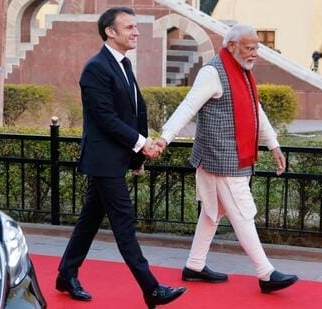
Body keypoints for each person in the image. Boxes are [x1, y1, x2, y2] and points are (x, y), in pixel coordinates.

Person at [152, 24, 298, 293]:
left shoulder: (241, 71)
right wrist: (165, 137)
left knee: (212, 212)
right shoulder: (212, 72)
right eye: (250, 48)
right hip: (221, 159)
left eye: (257, 48)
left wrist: (273, 144)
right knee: (243, 213)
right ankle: (266, 274)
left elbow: (256, 111)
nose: (255, 53)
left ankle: (194, 266)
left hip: (223, 158)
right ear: (232, 46)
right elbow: (188, 106)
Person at [55, 7, 186, 308]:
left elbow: (135, 112)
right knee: (124, 223)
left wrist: (139, 155)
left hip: (116, 159)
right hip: (103, 162)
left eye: (135, 26)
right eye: (129, 27)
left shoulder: (123, 65)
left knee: (89, 222)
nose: (136, 32)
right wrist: (142, 143)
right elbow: (106, 118)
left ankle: (65, 273)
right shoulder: (95, 68)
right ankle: (151, 289)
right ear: (110, 32)